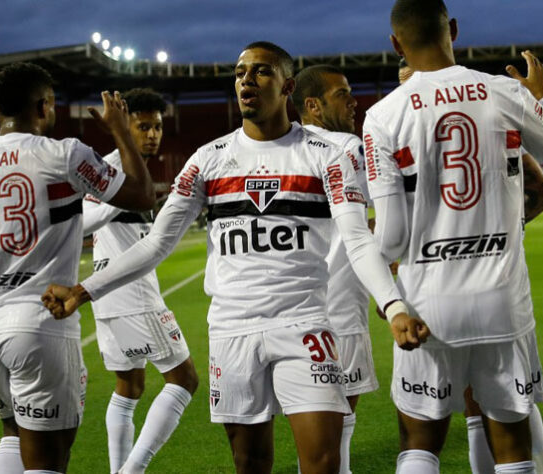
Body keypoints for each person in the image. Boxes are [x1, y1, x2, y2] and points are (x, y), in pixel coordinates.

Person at [42, 41, 422, 474]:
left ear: (287, 86)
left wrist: (393, 306)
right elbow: (156, 244)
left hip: (305, 325)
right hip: (232, 331)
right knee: (251, 465)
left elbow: (356, 238)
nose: (247, 80)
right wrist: (83, 290)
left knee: (323, 463)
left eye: (261, 72)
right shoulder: (208, 159)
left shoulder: (327, 155)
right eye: (241, 73)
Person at [365, 1, 543, 473]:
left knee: (419, 440)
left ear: (396, 44)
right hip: (502, 301)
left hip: (427, 303)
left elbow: (390, 239)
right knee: (510, 440)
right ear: (454, 30)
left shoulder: (383, 116)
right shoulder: (504, 91)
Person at [0, 62, 155, 474]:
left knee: (12, 434)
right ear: (45, 106)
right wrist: (119, 129)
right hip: (41, 324)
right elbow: (140, 195)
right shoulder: (65, 155)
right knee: (49, 458)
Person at [397, 59, 543, 473]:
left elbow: (540, 191)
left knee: (443, 426)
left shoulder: (393, 126)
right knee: (500, 409)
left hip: (432, 292)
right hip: (493, 291)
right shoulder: (410, 122)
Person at [81, 88, 198, 474]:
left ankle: (118, 471)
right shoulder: (114, 170)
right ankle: (133, 471)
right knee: (184, 380)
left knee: (129, 388)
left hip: (109, 295)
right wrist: (121, 197)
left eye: (158, 127)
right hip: (132, 294)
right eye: (143, 126)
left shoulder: (129, 168)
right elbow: (84, 220)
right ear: (123, 126)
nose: (152, 134)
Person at [291, 64, 376, 474]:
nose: (353, 100)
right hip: (339, 305)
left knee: (310, 429)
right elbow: (393, 208)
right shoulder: (348, 147)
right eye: (343, 93)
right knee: (339, 423)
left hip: (289, 308)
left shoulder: (282, 147)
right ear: (313, 105)